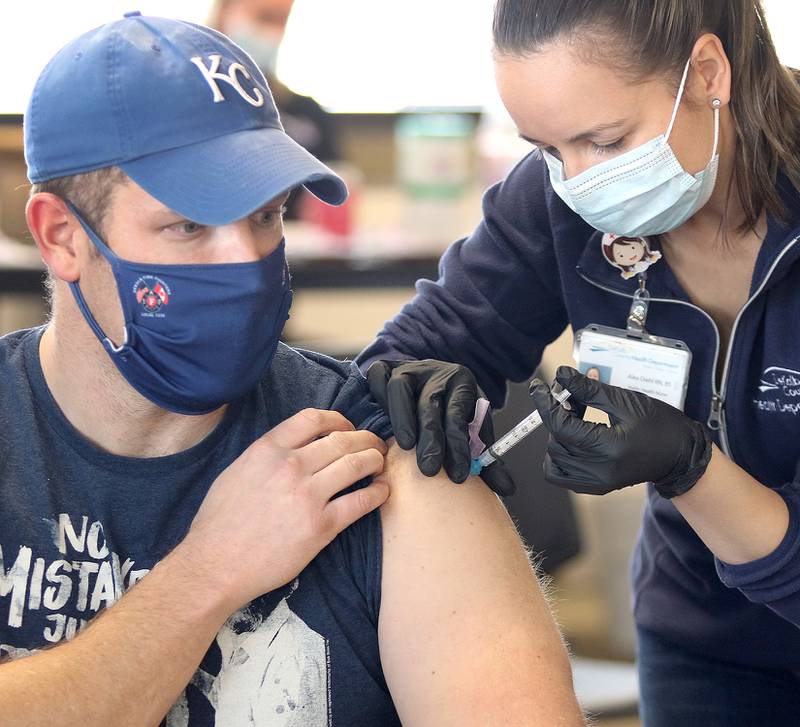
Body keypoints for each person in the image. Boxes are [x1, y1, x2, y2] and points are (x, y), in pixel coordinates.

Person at [0, 13, 585, 727]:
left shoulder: (370, 452)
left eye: (266, 215)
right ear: (60, 235)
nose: (244, 260)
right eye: (188, 226)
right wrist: (209, 571)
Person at [359, 1, 800, 724]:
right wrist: (411, 381)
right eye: (547, 149)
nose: (579, 184)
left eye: (605, 140)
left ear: (709, 73)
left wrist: (690, 466)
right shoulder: (562, 198)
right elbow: (414, 346)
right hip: (702, 644)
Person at [209, 0, 340, 218]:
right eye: (265, 18)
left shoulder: (307, 113)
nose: (272, 33)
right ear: (225, 12)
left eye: (282, 20)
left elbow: (338, 186)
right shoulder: (190, 109)